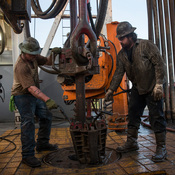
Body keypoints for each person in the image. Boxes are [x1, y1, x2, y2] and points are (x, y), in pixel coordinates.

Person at [104, 21, 167, 162]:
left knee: (157, 117)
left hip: (152, 88)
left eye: (122, 38)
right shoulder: (122, 55)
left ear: (130, 36)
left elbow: (159, 63)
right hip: (137, 89)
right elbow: (118, 73)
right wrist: (111, 90)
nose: (120, 41)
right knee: (133, 114)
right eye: (119, 38)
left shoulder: (145, 45)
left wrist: (158, 84)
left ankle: (161, 148)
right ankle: (132, 143)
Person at [10, 37, 61, 167]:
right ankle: (27, 156)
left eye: (35, 54)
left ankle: (42, 143)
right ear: (23, 52)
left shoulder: (34, 57)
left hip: (33, 93)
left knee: (46, 116)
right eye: (31, 54)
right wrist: (47, 99)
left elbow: (48, 62)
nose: (34, 56)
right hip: (22, 96)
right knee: (28, 123)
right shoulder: (21, 67)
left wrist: (53, 53)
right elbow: (31, 88)